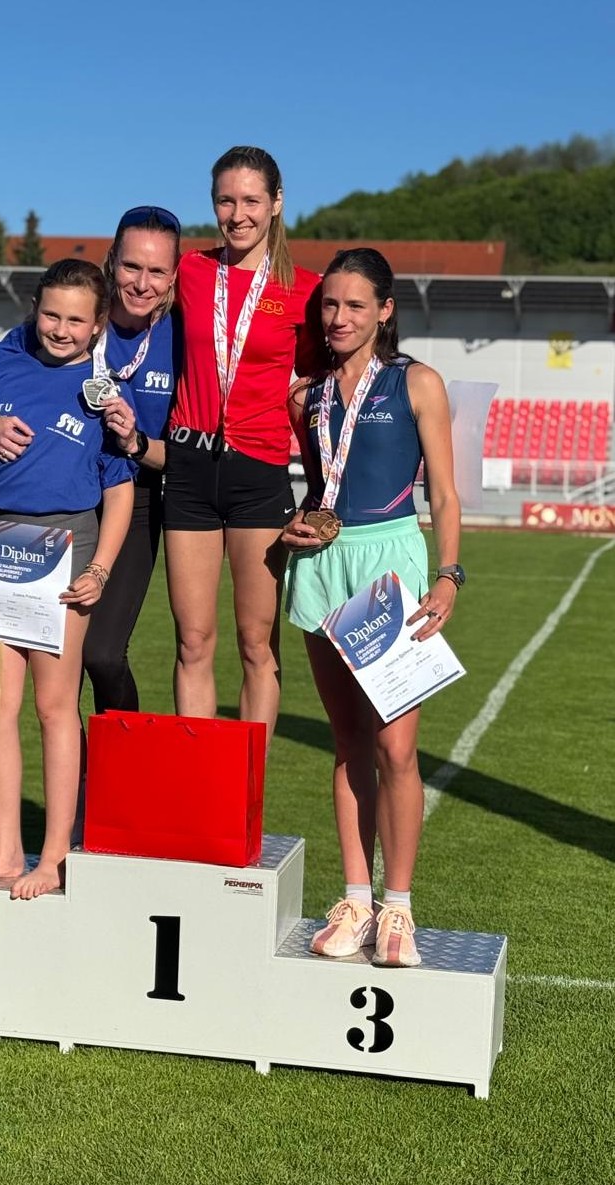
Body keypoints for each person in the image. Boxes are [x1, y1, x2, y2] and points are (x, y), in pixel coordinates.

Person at [283, 247, 462, 967]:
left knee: (395, 748)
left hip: (389, 566)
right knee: (348, 742)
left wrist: (448, 575)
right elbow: (317, 489)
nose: (339, 317)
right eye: (330, 304)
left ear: (384, 310)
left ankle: (399, 907)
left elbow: (443, 492)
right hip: (322, 565)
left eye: (355, 305)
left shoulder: (417, 382)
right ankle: (356, 900)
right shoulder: (307, 395)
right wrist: (296, 526)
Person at [0, 206, 181, 712]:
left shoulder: (182, 335)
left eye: (157, 271)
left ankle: (116, 761)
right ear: (112, 261)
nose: (142, 283)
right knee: (51, 682)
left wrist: (136, 443)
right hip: (56, 505)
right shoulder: (62, 315)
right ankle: (73, 765)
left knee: (102, 655)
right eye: (131, 266)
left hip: (129, 493)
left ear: (173, 275)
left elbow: (182, 452)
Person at [0, 259, 134, 899]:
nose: (61, 328)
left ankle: (54, 857)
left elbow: (119, 491)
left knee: (55, 708)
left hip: (67, 553)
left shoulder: (104, 395)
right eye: (51, 314)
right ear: (34, 309)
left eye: (76, 320)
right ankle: (6, 849)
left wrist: (101, 569)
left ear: (98, 324)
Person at [163, 146, 320, 747]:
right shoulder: (189, 272)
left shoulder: (305, 291)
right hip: (190, 470)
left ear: (277, 203)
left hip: (260, 473)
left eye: (251, 200)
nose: (238, 214)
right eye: (225, 201)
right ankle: (196, 782)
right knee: (192, 641)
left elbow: (320, 391)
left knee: (257, 644)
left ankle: (248, 786)